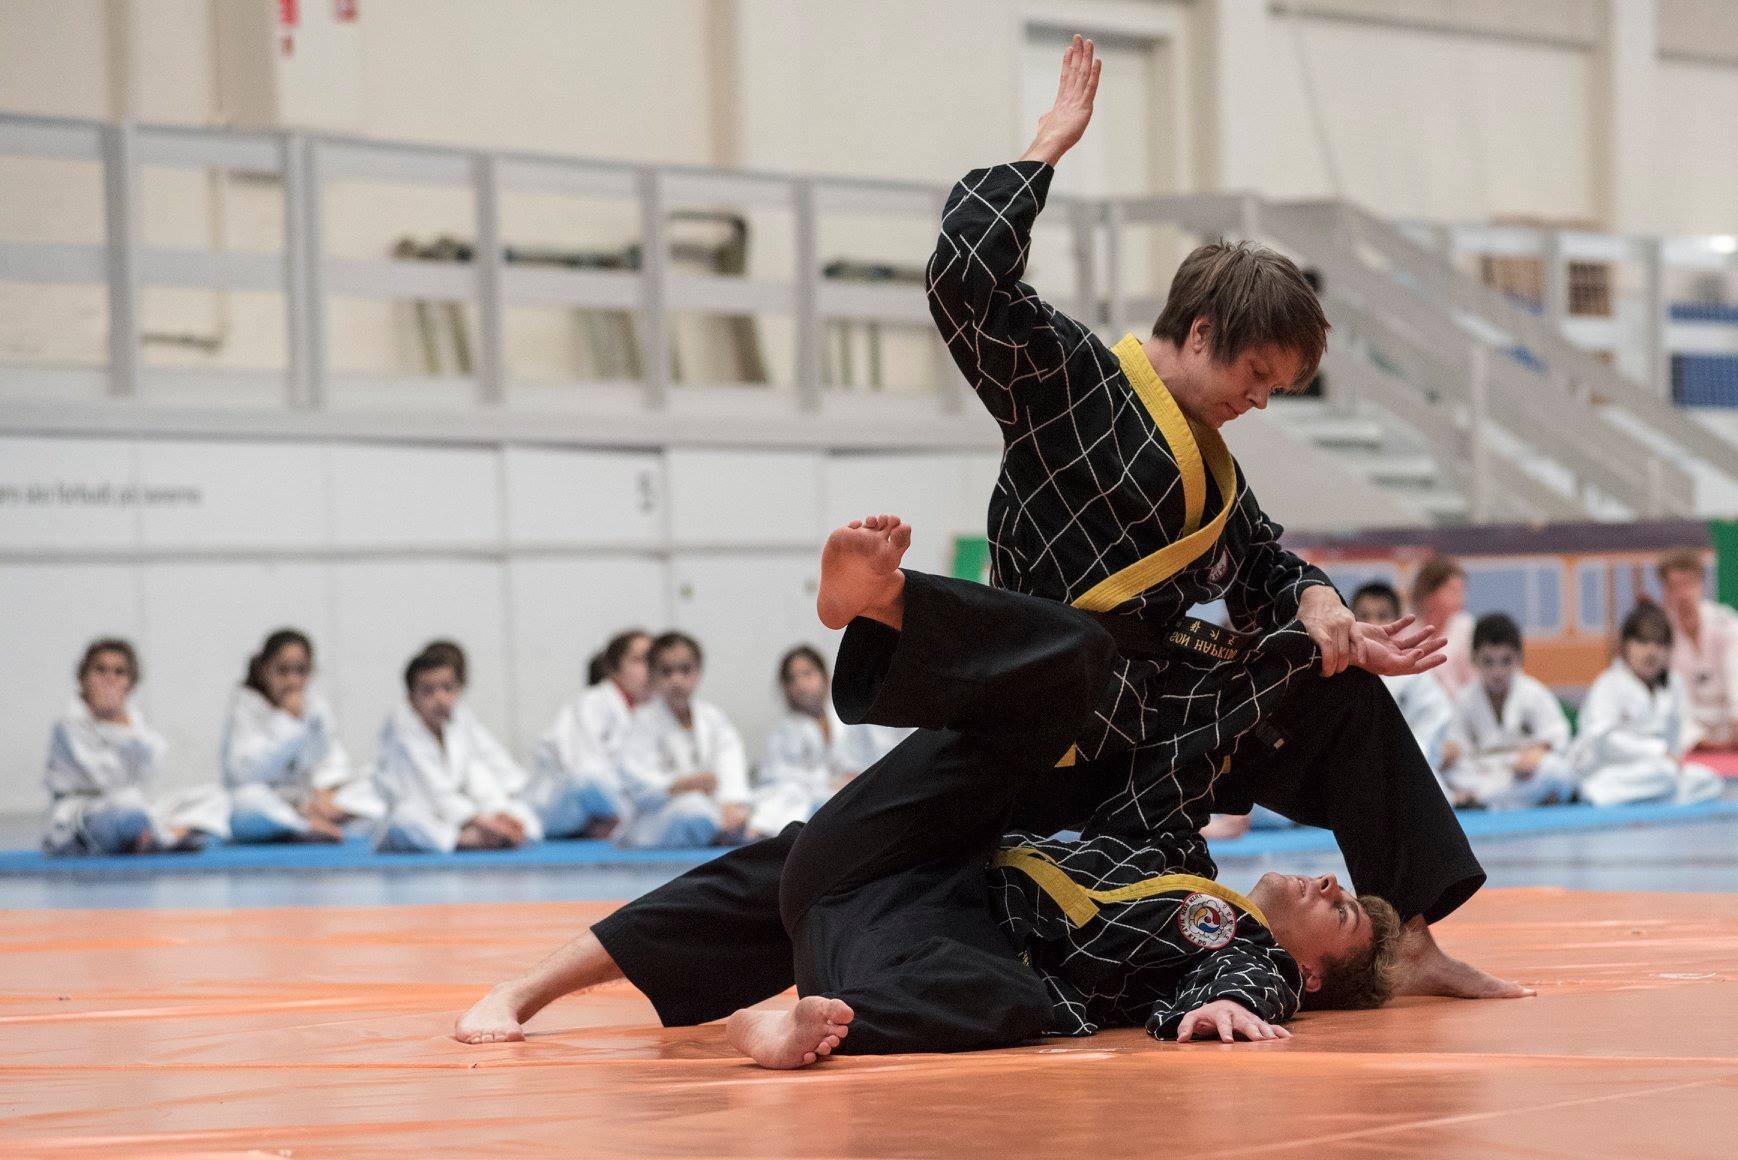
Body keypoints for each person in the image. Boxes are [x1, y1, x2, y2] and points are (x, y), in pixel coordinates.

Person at [922, 36, 1515, 997]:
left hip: (1150, 724)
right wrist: (1044, 151)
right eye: (1256, 378)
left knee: (1343, 694)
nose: (1260, 403)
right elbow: (964, 285)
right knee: (930, 893)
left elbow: (1266, 566)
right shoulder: (1073, 382)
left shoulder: (1215, 473)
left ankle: (1408, 941)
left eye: (1278, 390)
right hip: (1039, 726)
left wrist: (1324, 608)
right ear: (1201, 331)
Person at [458, 517, 1406, 1065]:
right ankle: (882, 604)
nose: (1330, 884)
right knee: (1075, 659)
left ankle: (793, 1029)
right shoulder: (1180, 861)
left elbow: (1238, 977)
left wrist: (1238, 1005)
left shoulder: (1245, 952)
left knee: (1007, 1002)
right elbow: (1193, 749)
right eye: (1343, 883)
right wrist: (1300, 651)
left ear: (1313, 973)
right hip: (919, 866)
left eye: (1344, 914)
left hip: (909, 937)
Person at [43, 639, 227, 855]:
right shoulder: (68, 725)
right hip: (83, 817)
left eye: (119, 672)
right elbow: (107, 780)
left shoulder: (134, 723)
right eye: (100, 670)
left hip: (134, 808)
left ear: (130, 685)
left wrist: (120, 723)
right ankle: (164, 837)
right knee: (129, 805)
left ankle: (149, 836)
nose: (109, 679)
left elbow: (152, 770)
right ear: (83, 679)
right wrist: (112, 722)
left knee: (214, 796)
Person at [372, 640, 541, 853]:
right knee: (404, 819)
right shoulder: (401, 726)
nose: (440, 698)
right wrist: (483, 823)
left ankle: (489, 835)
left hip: (457, 813)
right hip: (423, 816)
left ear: (458, 690)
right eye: (428, 691)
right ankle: (466, 840)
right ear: (411, 698)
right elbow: (436, 791)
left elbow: (478, 772)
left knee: (521, 812)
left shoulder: (458, 719)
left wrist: (499, 813)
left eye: (447, 688)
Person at [223, 629, 383, 844]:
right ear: (263, 670)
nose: (292, 680)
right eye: (283, 671)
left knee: (375, 781)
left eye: (301, 671)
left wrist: (325, 791)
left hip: (312, 802)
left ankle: (311, 823)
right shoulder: (245, 707)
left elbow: (331, 761)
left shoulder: (316, 708)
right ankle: (301, 826)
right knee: (245, 803)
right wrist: (290, 721)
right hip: (271, 801)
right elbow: (245, 775)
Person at [745, 645, 905, 839]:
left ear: (825, 677)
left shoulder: (849, 721)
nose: (800, 684)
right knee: (785, 803)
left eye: (807, 674)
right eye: (792, 678)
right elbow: (776, 776)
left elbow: (868, 760)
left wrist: (851, 778)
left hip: (848, 796)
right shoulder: (784, 731)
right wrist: (828, 781)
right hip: (807, 800)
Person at [1572, 604, 1722, 807]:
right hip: (1608, 769)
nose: (1651, 652)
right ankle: (1589, 793)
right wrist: (1657, 751)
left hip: (1655, 772)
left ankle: (1643, 800)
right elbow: (1603, 740)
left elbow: (1678, 734)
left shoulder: (1673, 685)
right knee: (1663, 774)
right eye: (1642, 642)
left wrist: (1674, 757)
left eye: (1660, 644)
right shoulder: (1609, 684)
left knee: (1708, 780)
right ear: (1624, 646)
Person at [614, 632, 751, 849]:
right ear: (652, 675)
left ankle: (721, 828)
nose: (676, 680)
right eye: (667, 671)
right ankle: (717, 831)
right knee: (692, 809)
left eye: (685, 670)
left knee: (760, 807)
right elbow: (635, 780)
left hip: (713, 808)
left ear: (698, 672)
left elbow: (730, 764)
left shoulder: (713, 718)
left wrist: (731, 804)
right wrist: (679, 785)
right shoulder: (642, 721)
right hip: (656, 818)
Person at [525, 629, 652, 840]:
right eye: (639, 660)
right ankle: (621, 825)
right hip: (561, 805)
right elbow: (583, 767)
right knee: (587, 780)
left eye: (652, 660)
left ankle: (617, 825)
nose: (648, 668)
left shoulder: (654, 712)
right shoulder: (592, 703)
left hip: (619, 807)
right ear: (613, 668)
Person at [1440, 614, 1576, 810]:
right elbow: (1456, 742)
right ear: (1474, 659)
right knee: (1446, 772)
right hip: (1482, 773)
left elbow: (1557, 733)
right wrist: (1449, 753)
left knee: (1555, 769)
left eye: (1505, 661)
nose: (1497, 672)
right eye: (1488, 661)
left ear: (1519, 659)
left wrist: (1537, 752)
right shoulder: (1465, 698)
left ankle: (1482, 801)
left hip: (1522, 772)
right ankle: (1517, 801)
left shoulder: (1533, 692)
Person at [1657, 548, 1738, 752]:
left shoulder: (1726, 623)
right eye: (1675, 587)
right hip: (1689, 738)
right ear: (1665, 591)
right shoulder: (1660, 636)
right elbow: (1670, 699)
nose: (1683, 595)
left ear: (1701, 585)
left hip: (1731, 725)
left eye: (1687, 585)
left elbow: (1735, 678)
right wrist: (1696, 740)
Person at [1412, 556, 1475, 700]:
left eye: (1462, 591)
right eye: (1453, 591)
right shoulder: (1406, 629)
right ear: (1430, 594)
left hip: (1457, 712)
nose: (1461, 599)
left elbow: (1474, 683)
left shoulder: (1467, 628)